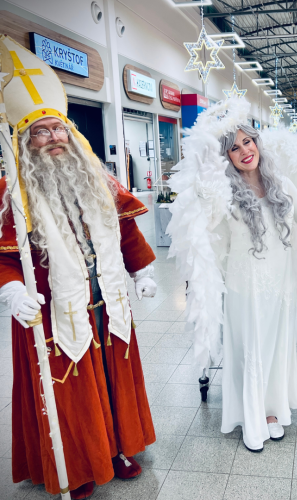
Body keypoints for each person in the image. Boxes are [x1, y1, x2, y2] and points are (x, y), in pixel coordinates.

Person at [0, 36, 157, 499]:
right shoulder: (13, 196)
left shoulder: (98, 180)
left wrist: (143, 273)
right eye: (40, 132)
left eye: (58, 129)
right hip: (53, 313)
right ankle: (79, 464)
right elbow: (4, 258)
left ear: (70, 133)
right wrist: (12, 291)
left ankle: (119, 447)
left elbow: (126, 231)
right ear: (25, 141)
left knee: (111, 376)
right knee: (71, 389)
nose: (53, 138)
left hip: (107, 303)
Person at [167, 99, 297, 453]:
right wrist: (202, 187)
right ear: (226, 156)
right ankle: (251, 417)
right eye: (234, 147)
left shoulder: (281, 184)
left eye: (248, 142)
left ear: (257, 143)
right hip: (243, 286)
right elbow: (206, 233)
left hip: (280, 284)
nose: (245, 151)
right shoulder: (224, 193)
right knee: (249, 349)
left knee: (276, 347)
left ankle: (272, 411)